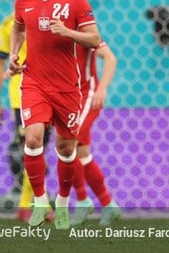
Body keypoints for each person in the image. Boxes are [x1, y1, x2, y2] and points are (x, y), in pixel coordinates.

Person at [9, 0, 101, 229]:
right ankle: (40, 201)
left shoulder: (75, 1)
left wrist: (68, 32)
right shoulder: (24, 1)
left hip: (67, 87)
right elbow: (18, 28)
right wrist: (15, 53)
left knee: (65, 148)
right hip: (34, 82)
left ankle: (62, 201)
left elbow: (95, 40)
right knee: (33, 139)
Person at [0, 0, 53, 223]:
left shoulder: (51, 21)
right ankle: (32, 204)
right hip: (22, 93)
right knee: (32, 145)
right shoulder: (9, 25)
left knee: (43, 148)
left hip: (51, 91)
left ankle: (36, 202)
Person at [70, 41, 122, 226]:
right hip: (67, 99)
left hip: (87, 96)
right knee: (82, 155)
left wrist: (102, 88)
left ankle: (82, 200)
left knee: (68, 146)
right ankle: (108, 204)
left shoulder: (84, 31)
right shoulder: (52, 29)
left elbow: (110, 57)